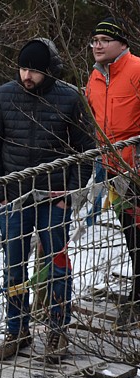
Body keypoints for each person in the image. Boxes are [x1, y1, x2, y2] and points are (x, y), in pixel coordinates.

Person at [0, 38, 94, 362]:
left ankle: (58, 331)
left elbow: (86, 149)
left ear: (49, 71)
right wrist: (0, 193)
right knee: (14, 265)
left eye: (34, 70)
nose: (26, 75)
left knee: (56, 262)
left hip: (54, 196)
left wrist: (69, 195)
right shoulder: (3, 96)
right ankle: (17, 329)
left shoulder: (71, 99)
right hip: (14, 199)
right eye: (23, 68)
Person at [86, 16, 140, 330]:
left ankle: (136, 299)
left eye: (105, 40)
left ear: (122, 43)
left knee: (137, 234)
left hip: (137, 170)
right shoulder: (94, 77)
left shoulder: (136, 70)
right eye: (94, 40)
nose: (98, 45)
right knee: (131, 234)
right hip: (112, 171)